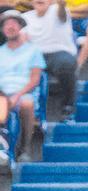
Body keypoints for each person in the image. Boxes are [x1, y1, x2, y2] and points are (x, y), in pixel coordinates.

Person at [0, 11, 45, 162]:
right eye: (6, 24)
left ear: (20, 26)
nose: (10, 27)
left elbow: (35, 79)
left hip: (23, 93)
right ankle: (4, 149)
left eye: (13, 23)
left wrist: (17, 95)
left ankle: (25, 148)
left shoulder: (33, 50)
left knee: (27, 103)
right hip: (2, 95)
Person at [22, 0, 77, 119]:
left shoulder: (59, 10)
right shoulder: (24, 18)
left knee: (65, 64)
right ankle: (33, 112)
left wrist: (61, 4)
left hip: (58, 53)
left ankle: (68, 106)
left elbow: (61, 11)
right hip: (34, 55)